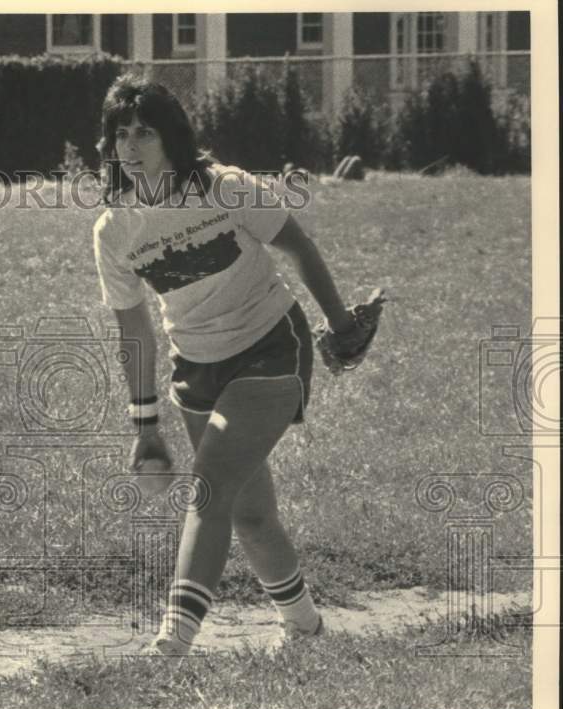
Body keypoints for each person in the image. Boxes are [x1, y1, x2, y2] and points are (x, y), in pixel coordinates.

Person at [93, 75, 366, 656]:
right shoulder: (114, 230)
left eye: (145, 132)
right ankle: (308, 631)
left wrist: (342, 327)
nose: (131, 145)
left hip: (270, 345)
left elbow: (299, 247)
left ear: (172, 137)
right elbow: (134, 327)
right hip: (196, 367)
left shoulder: (223, 187)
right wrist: (144, 425)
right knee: (250, 515)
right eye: (121, 134)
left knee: (209, 490)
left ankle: (172, 643)